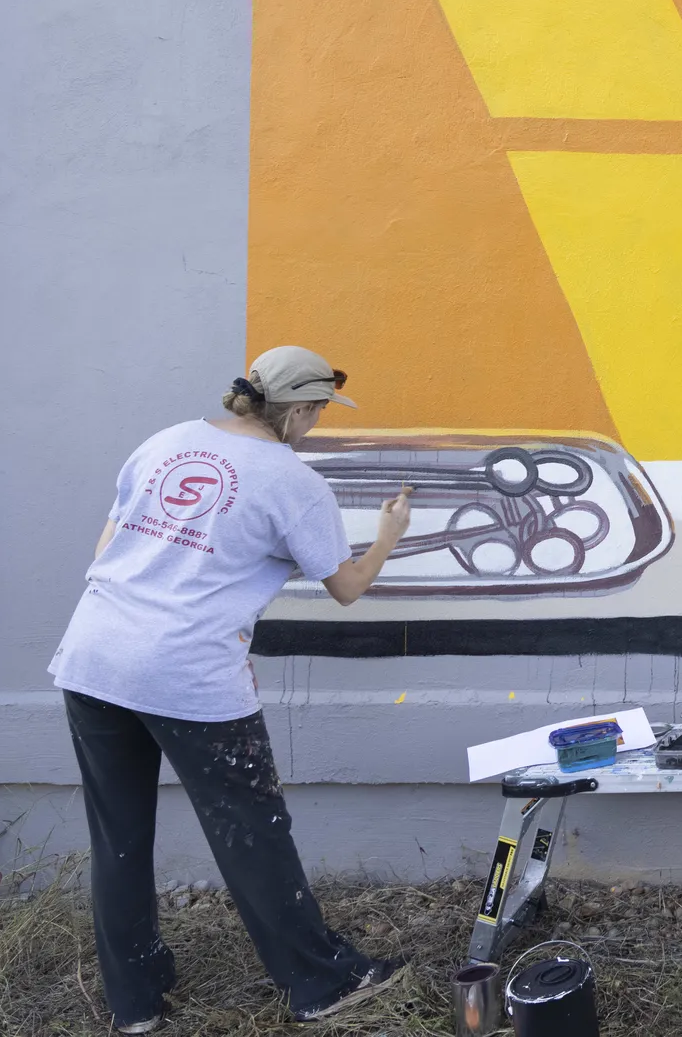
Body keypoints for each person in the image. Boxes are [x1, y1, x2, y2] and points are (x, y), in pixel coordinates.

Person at [48, 346, 416, 1031]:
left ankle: (135, 1001)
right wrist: (388, 534)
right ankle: (321, 981)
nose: (316, 426)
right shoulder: (291, 479)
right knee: (253, 831)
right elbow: (347, 588)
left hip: (95, 654)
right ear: (300, 409)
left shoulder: (165, 441)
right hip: (187, 670)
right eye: (318, 413)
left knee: (119, 835)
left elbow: (107, 551)